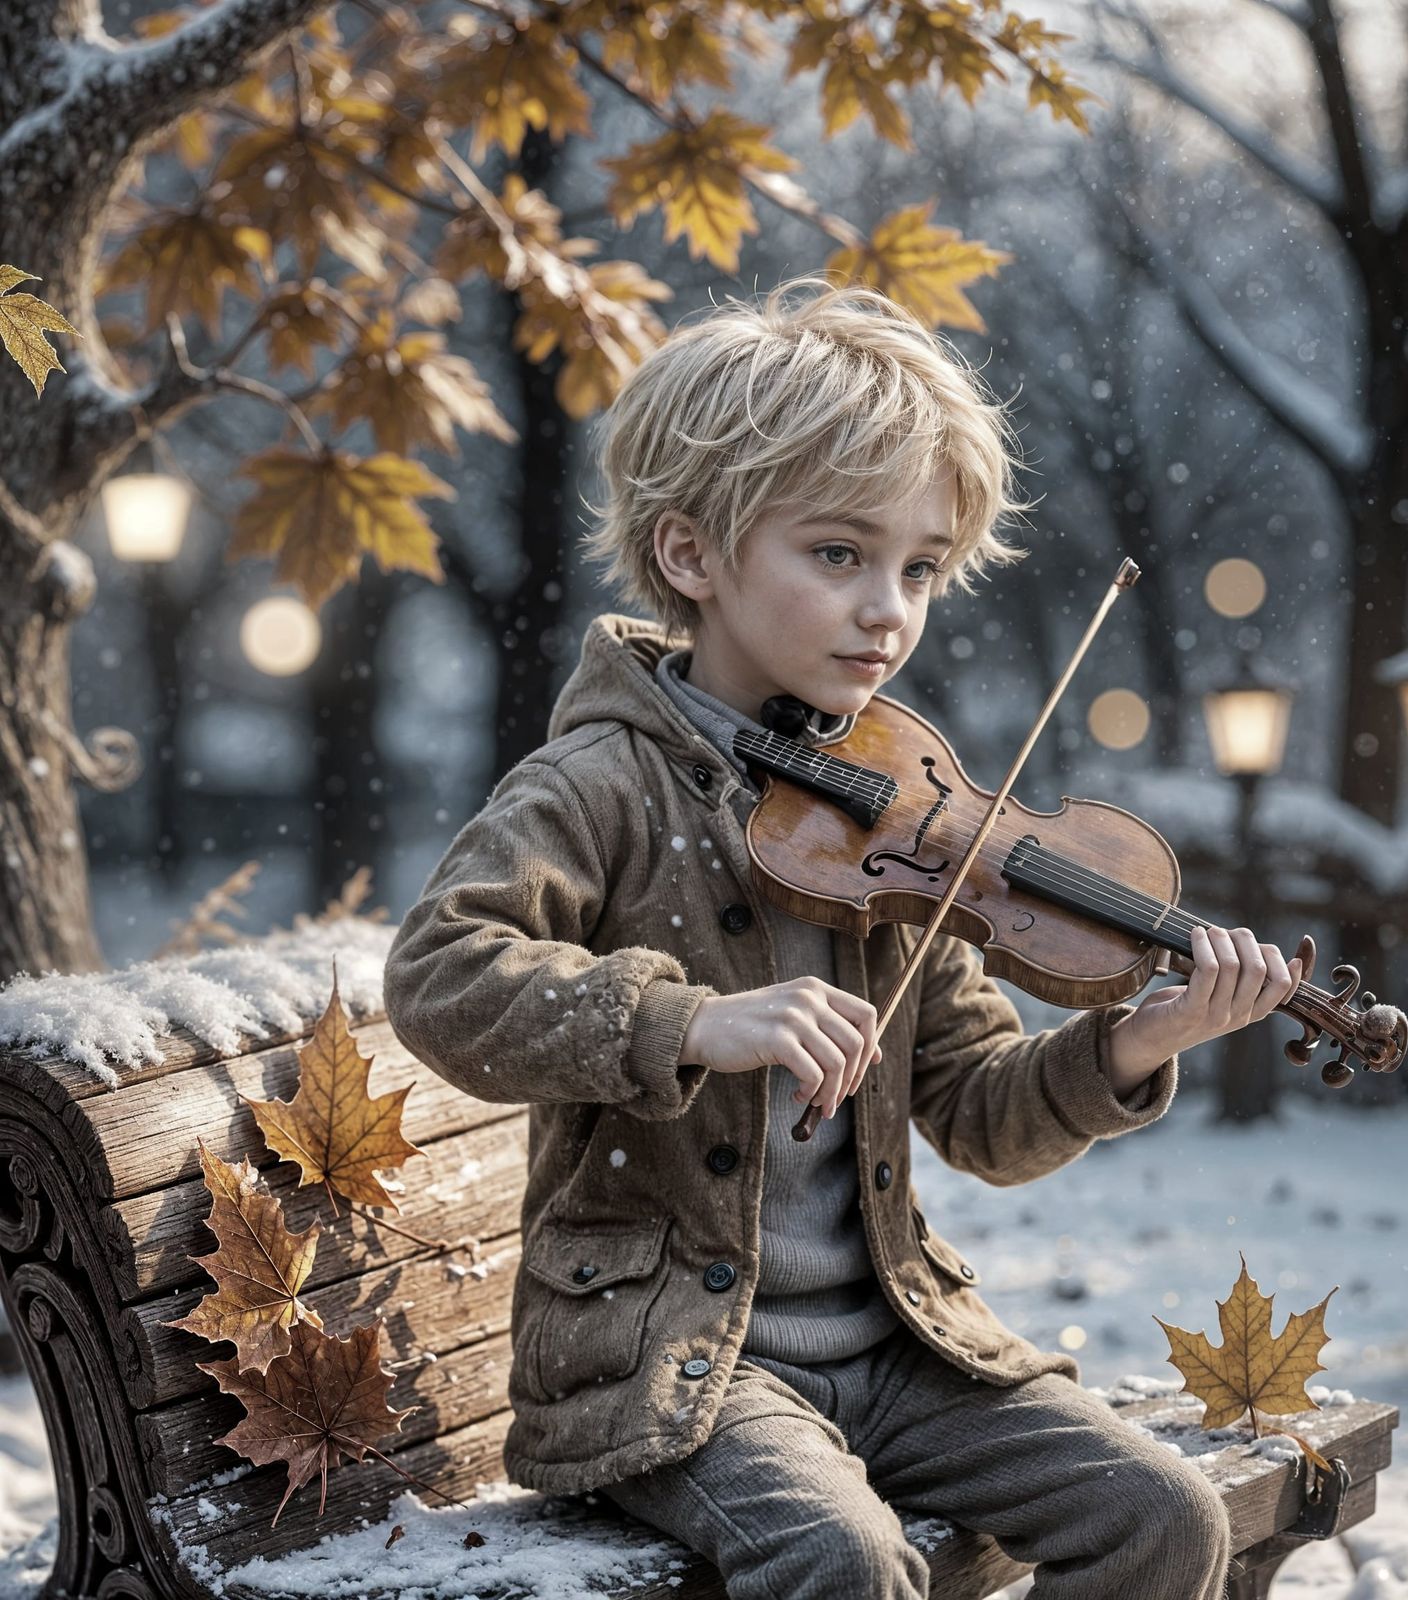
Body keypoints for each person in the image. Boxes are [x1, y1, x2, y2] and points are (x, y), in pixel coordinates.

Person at [382, 274, 1303, 1599]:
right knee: (843, 1560)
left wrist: (1130, 1042)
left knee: (1162, 1517)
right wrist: (690, 1021)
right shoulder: (594, 786)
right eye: (839, 555)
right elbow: (442, 975)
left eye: (920, 568)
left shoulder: (898, 812)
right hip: (679, 1362)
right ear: (692, 555)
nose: (891, 609)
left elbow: (985, 1113)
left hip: (896, 1347)